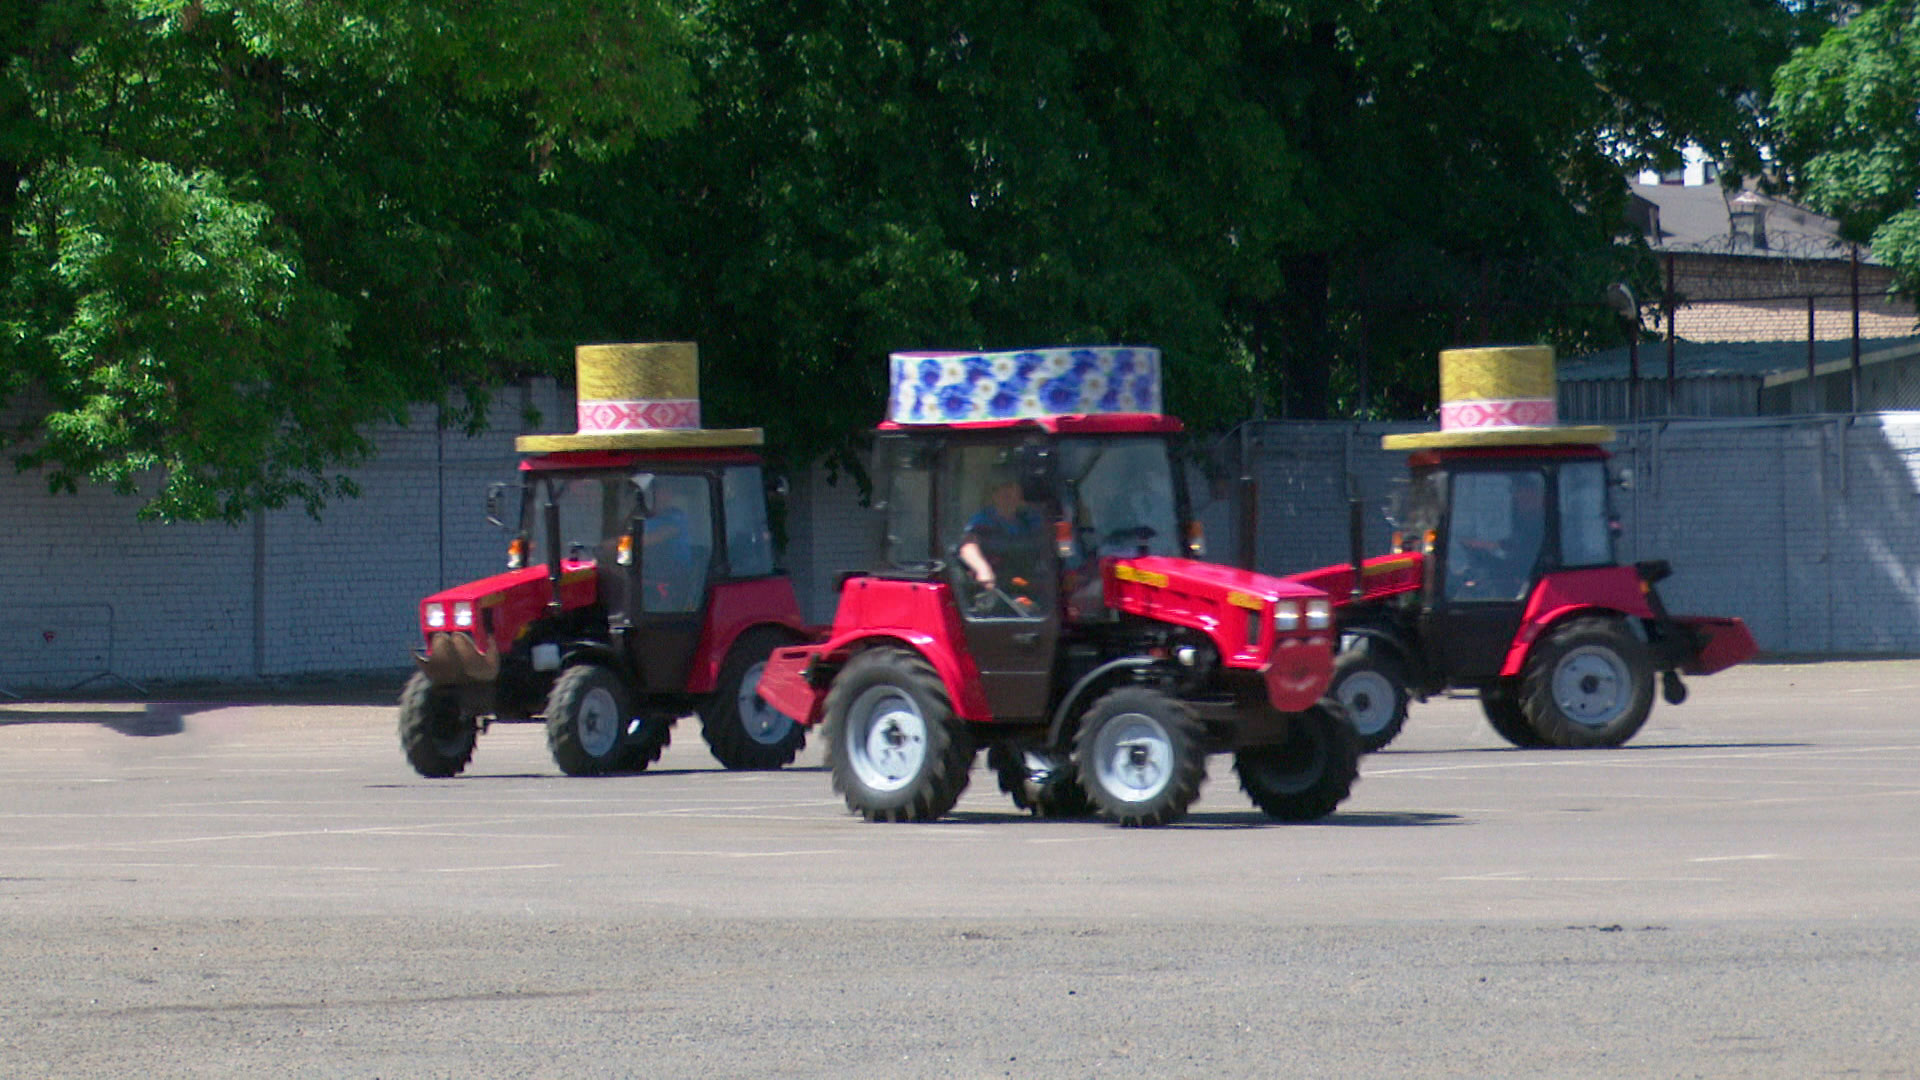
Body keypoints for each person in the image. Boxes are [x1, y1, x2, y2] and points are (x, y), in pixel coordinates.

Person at [957, 478, 1045, 594]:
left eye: (1013, 493)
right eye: (1004, 493)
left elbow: (1047, 544)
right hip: (996, 588)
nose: (1009, 497)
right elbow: (968, 547)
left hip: (1026, 583)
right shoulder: (984, 519)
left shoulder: (1028, 520)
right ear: (994, 496)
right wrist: (983, 569)